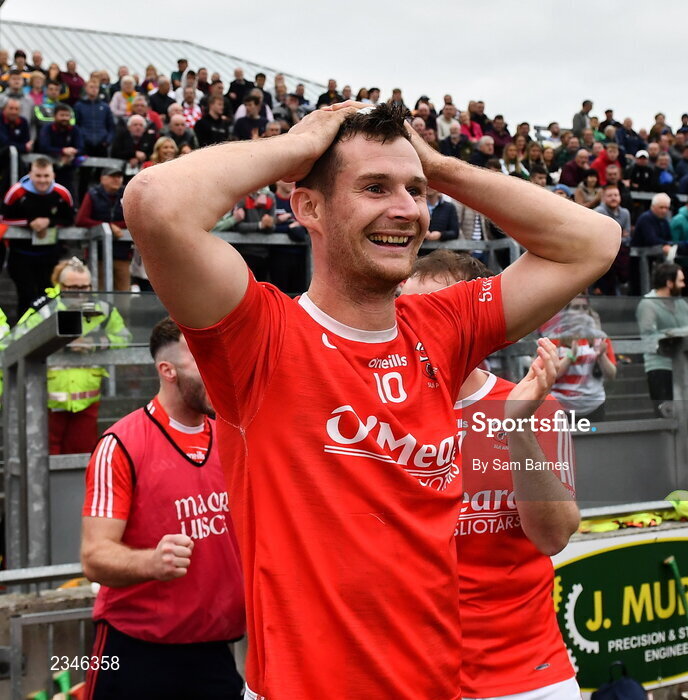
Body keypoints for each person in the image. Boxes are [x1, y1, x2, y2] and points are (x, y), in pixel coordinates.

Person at [121, 100, 619, 699]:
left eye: (416, 191)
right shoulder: (259, 335)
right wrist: (299, 148)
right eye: (374, 187)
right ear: (309, 207)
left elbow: (594, 241)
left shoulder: (441, 326)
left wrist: (441, 166)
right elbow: (155, 203)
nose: (406, 210)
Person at [402, 251, 580, 700]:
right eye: (403, 309)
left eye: (434, 310)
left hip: (528, 677)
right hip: (414, 675)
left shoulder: (533, 405)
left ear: (477, 322)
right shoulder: (377, 416)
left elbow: (553, 537)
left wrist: (516, 426)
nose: (412, 326)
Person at [80, 317, 245, 700]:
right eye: (201, 361)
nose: (217, 370)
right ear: (167, 371)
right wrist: (151, 563)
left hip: (213, 650)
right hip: (136, 650)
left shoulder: (231, 438)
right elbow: (94, 557)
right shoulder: (121, 443)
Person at [12, 258, 131, 454]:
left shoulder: (104, 309)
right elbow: (17, 341)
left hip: (87, 398)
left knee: (83, 453)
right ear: (60, 286)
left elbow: (124, 339)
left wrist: (95, 343)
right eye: (73, 288)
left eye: (85, 287)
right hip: (47, 398)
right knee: (46, 455)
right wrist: (59, 345)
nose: (80, 294)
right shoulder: (44, 309)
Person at [2, 156, 76, 315]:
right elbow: (4, 219)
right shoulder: (16, 192)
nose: (42, 180)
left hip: (49, 254)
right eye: (38, 176)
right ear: (31, 174)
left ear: (53, 175)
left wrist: (49, 221)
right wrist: (29, 223)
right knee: (26, 296)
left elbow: (70, 219)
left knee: (48, 296)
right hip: (20, 255)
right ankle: (21, 334)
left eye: (46, 176)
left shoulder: (62, 193)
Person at [636, 262, 688, 416]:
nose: (684, 285)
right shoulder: (647, 304)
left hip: (684, 366)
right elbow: (648, 336)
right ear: (669, 283)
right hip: (660, 367)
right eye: (680, 281)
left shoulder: (682, 303)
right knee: (666, 415)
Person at [543, 295, 617, 421]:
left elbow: (611, 374)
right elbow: (550, 376)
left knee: (595, 439)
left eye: (585, 307)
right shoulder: (554, 338)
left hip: (594, 406)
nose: (582, 312)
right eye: (576, 308)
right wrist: (570, 356)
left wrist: (601, 356)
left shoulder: (600, 337)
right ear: (566, 313)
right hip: (562, 407)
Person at [76, 167, 132, 291]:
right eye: (113, 176)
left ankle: (121, 312)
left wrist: (117, 226)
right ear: (102, 179)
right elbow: (81, 220)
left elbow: (135, 218)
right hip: (98, 253)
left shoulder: (127, 193)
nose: (117, 179)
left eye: (119, 176)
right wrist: (107, 226)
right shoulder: (93, 194)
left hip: (122, 253)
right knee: (99, 292)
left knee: (124, 293)